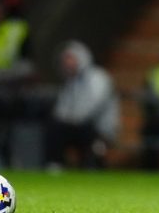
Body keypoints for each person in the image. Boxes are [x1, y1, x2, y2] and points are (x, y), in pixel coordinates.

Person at [46, 40, 119, 169]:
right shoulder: (71, 81)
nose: (67, 63)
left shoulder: (98, 77)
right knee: (54, 128)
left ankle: (92, 164)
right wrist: (63, 120)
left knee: (81, 133)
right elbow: (60, 109)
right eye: (65, 59)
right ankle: (55, 165)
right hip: (76, 127)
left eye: (70, 58)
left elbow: (91, 108)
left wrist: (68, 120)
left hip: (98, 129)